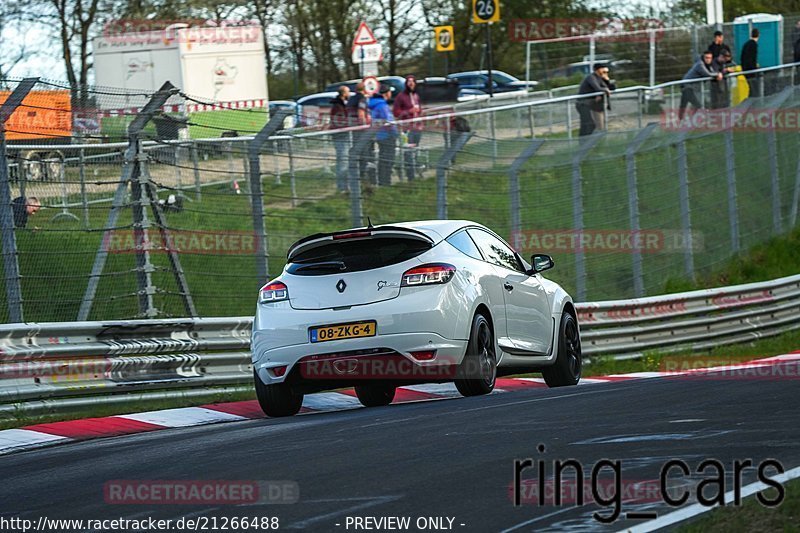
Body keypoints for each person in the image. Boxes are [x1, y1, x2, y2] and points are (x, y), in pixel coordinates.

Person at [392, 74, 423, 181]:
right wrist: (408, 112)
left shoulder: (416, 96)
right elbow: (396, 112)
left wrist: (420, 122)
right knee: (407, 152)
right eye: (409, 81)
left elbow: (420, 110)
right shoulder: (401, 97)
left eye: (413, 81)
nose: (411, 83)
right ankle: (410, 176)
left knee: (415, 151)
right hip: (406, 129)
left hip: (417, 128)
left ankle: (416, 172)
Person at [369, 84, 398, 187]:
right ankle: (385, 182)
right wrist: (395, 132)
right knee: (388, 159)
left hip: (380, 135)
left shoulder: (374, 104)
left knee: (383, 158)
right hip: (387, 135)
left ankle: (383, 181)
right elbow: (388, 122)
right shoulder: (382, 106)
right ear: (386, 93)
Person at [679, 51, 722, 120]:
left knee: (684, 104)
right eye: (706, 58)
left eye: (710, 58)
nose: (708, 59)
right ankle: (687, 120)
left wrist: (719, 73)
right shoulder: (700, 64)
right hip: (687, 86)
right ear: (703, 57)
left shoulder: (708, 65)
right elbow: (708, 74)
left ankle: (683, 120)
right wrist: (717, 74)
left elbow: (712, 72)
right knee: (696, 105)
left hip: (690, 87)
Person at [576, 63, 616, 136]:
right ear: (598, 70)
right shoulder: (591, 77)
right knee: (588, 124)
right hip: (584, 104)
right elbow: (597, 88)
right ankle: (584, 143)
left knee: (597, 125)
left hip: (593, 105)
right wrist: (605, 90)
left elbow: (612, 88)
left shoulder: (601, 78)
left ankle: (591, 143)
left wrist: (607, 80)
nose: (605, 71)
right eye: (603, 69)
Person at [346, 82, 373, 185]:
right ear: (364, 89)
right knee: (364, 152)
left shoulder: (351, 99)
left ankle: (357, 174)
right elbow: (361, 113)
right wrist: (365, 126)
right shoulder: (362, 99)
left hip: (353, 128)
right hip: (361, 129)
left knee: (357, 150)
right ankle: (362, 176)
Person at [329, 85, 350, 192]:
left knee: (344, 160)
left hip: (343, 135)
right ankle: (342, 187)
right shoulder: (338, 107)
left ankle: (345, 185)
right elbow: (340, 121)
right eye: (348, 92)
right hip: (340, 136)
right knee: (342, 161)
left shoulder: (340, 105)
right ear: (344, 94)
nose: (349, 94)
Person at [740, 28, 760, 97]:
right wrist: (755, 68)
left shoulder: (746, 44)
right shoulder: (754, 45)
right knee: (754, 89)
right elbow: (753, 58)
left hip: (745, 70)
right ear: (758, 35)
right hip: (751, 71)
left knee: (751, 88)